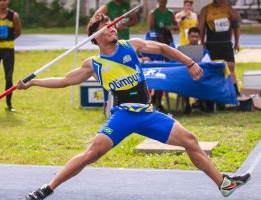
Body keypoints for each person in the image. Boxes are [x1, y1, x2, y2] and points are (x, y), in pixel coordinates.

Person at [18, 13, 250, 200]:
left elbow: (162, 48)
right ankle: (47, 189)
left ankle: (223, 184)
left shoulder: (131, 46)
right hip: (123, 116)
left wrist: (189, 62)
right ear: (96, 36)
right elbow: (64, 81)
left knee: (190, 140)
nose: (113, 28)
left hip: (148, 115)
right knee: (92, 153)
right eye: (107, 26)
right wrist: (33, 82)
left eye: (113, 25)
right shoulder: (94, 63)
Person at [199, 0, 241, 96]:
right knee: (211, 69)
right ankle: (212, 92)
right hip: (211, 44)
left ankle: (235, 93)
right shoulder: (206, 10)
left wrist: (237, 43)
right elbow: (201, 28)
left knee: (230, 67)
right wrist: (201, 43)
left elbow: (237, 23)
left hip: (226, 44)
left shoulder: (228, 8)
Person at [177, 27, 211, 114]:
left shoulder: (205, 51)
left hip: (200, 76)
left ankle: (202, 104)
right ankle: (187, 104)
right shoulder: (181, 50)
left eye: (196, 37)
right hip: (186, 75)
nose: (194, 39)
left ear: (200, 38)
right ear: (188, 37)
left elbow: (208, 63)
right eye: (192, 36)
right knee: (184, 80)